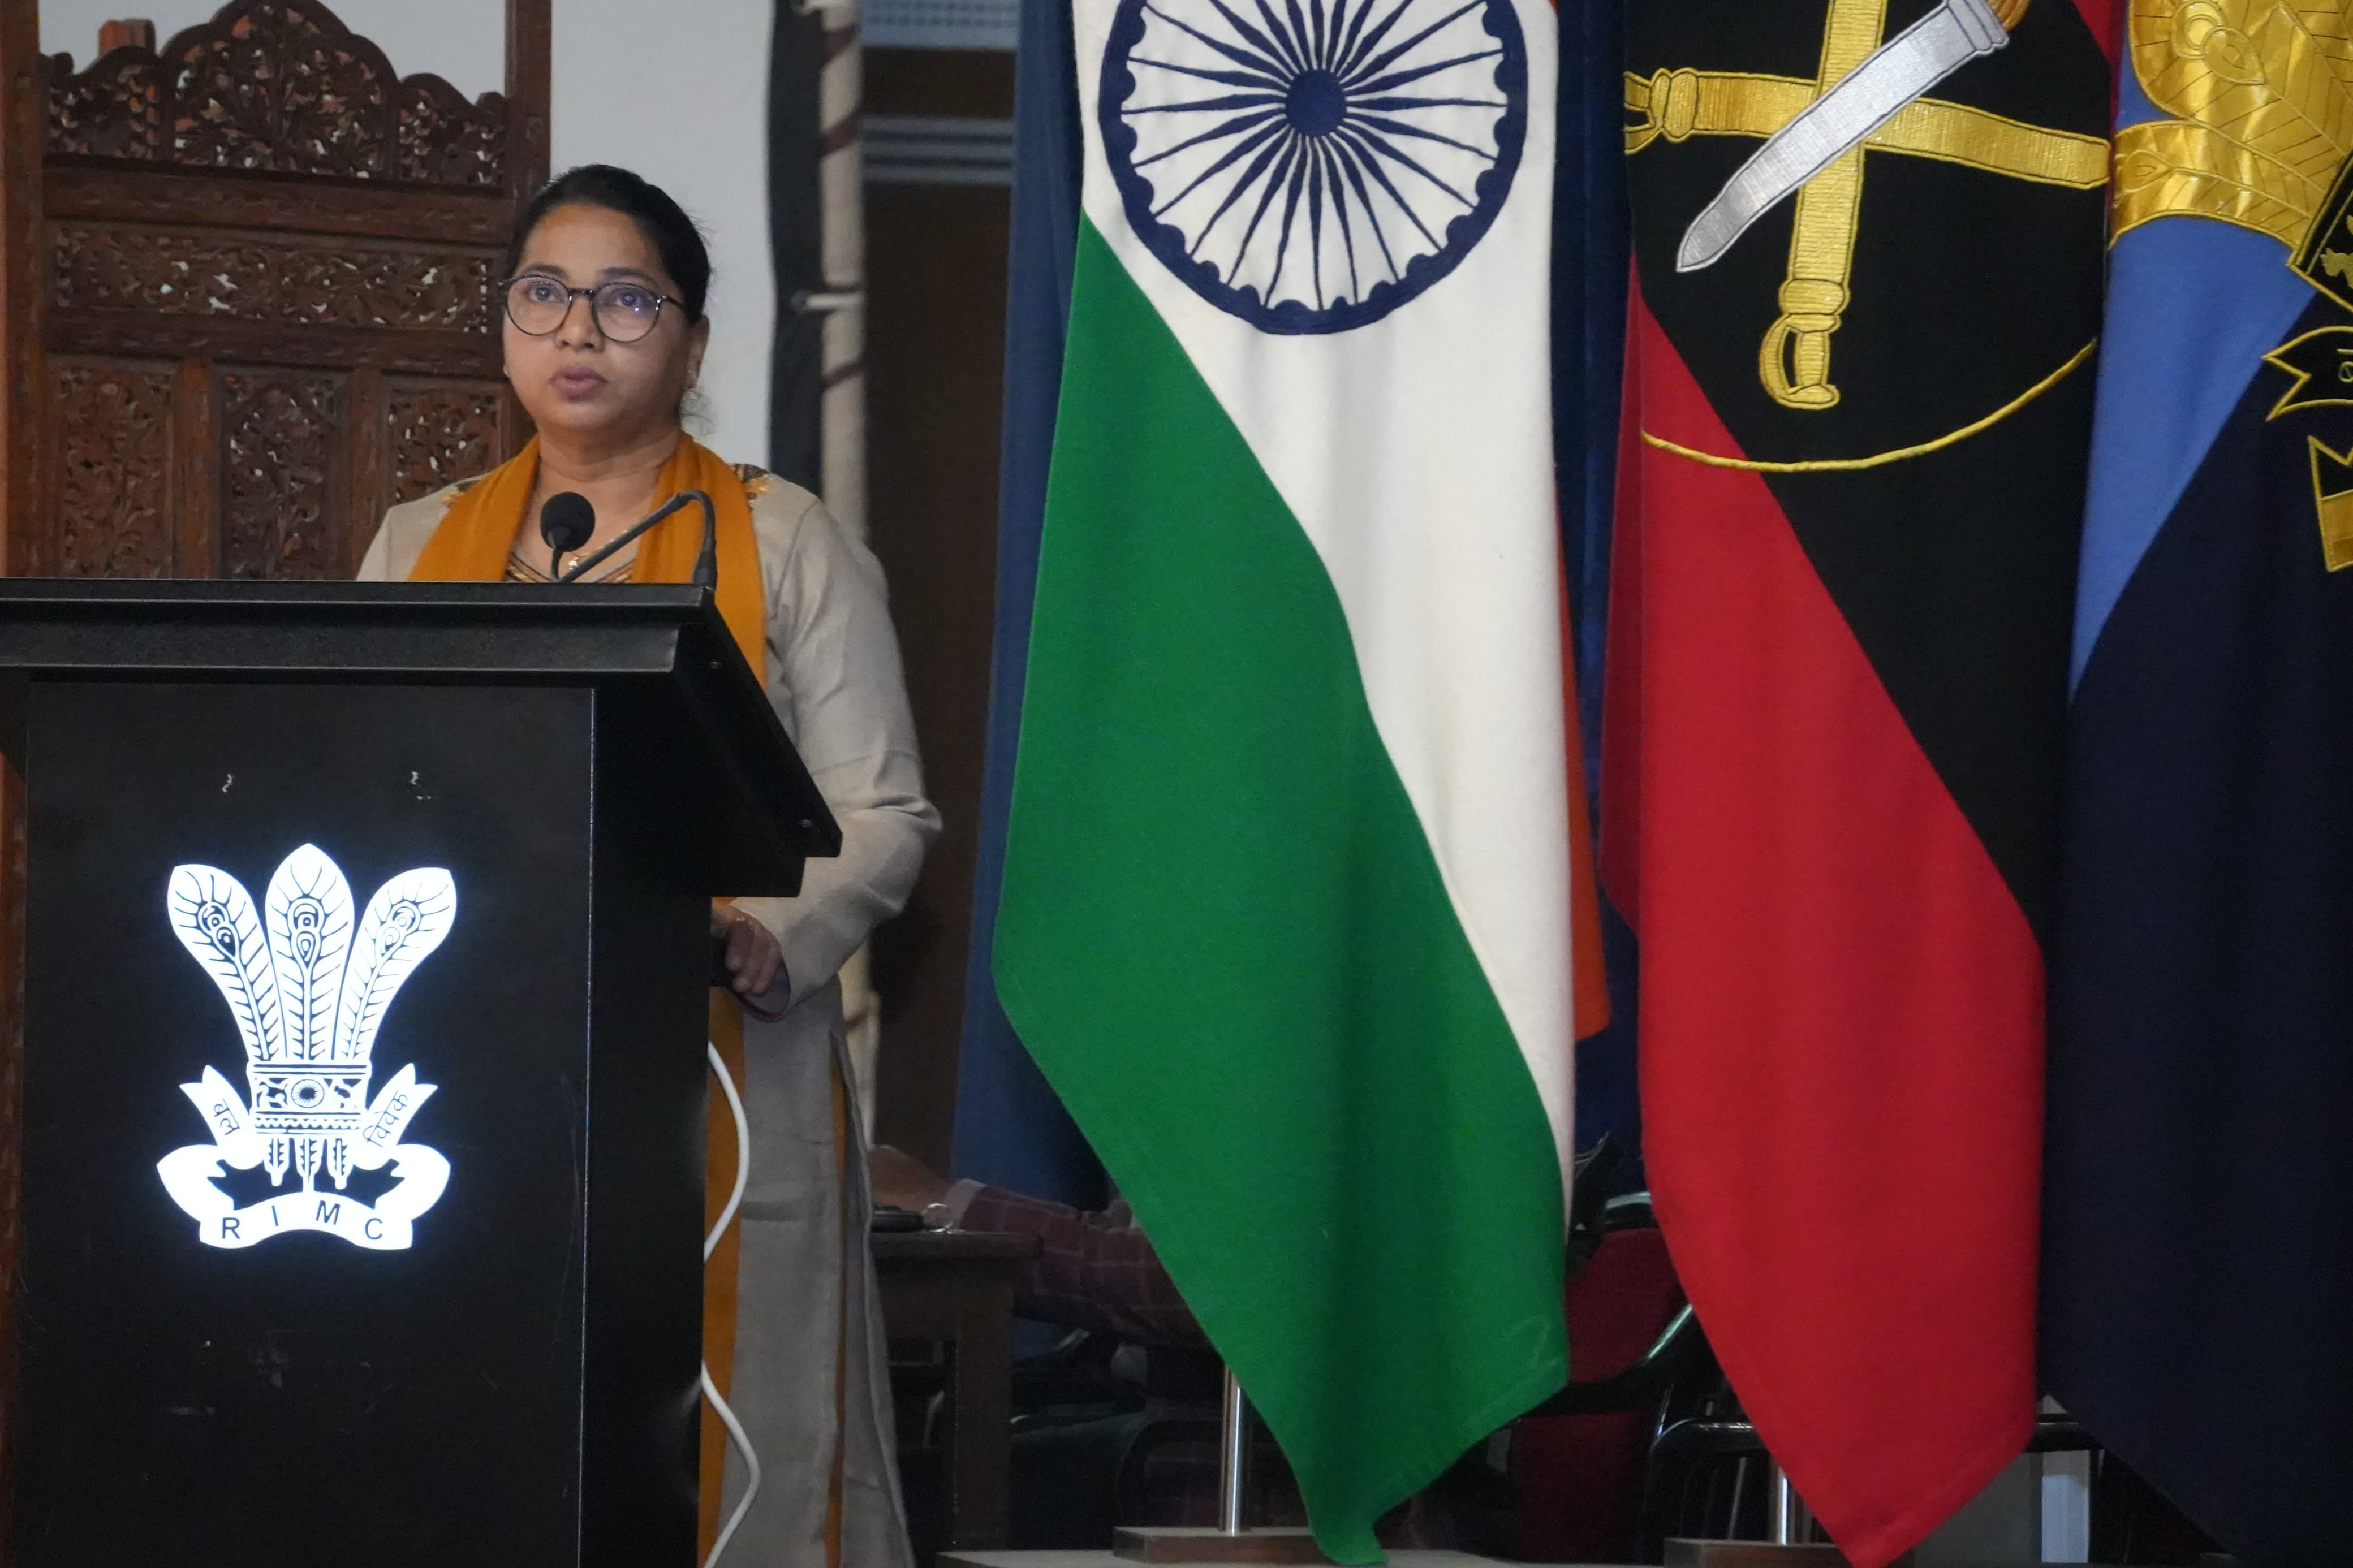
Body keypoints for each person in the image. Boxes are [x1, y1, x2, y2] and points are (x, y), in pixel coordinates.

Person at [360, 164, 939, 1568]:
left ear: (690, 342)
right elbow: (363, 789)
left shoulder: (784, 538)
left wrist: (766, 926)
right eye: (544, 294)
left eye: (627, 300)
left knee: (745, 1435)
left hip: (724, 1049)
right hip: (466, 1053)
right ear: (506, 328)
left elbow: (884, 812)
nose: (579, 330)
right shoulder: (420, 541)